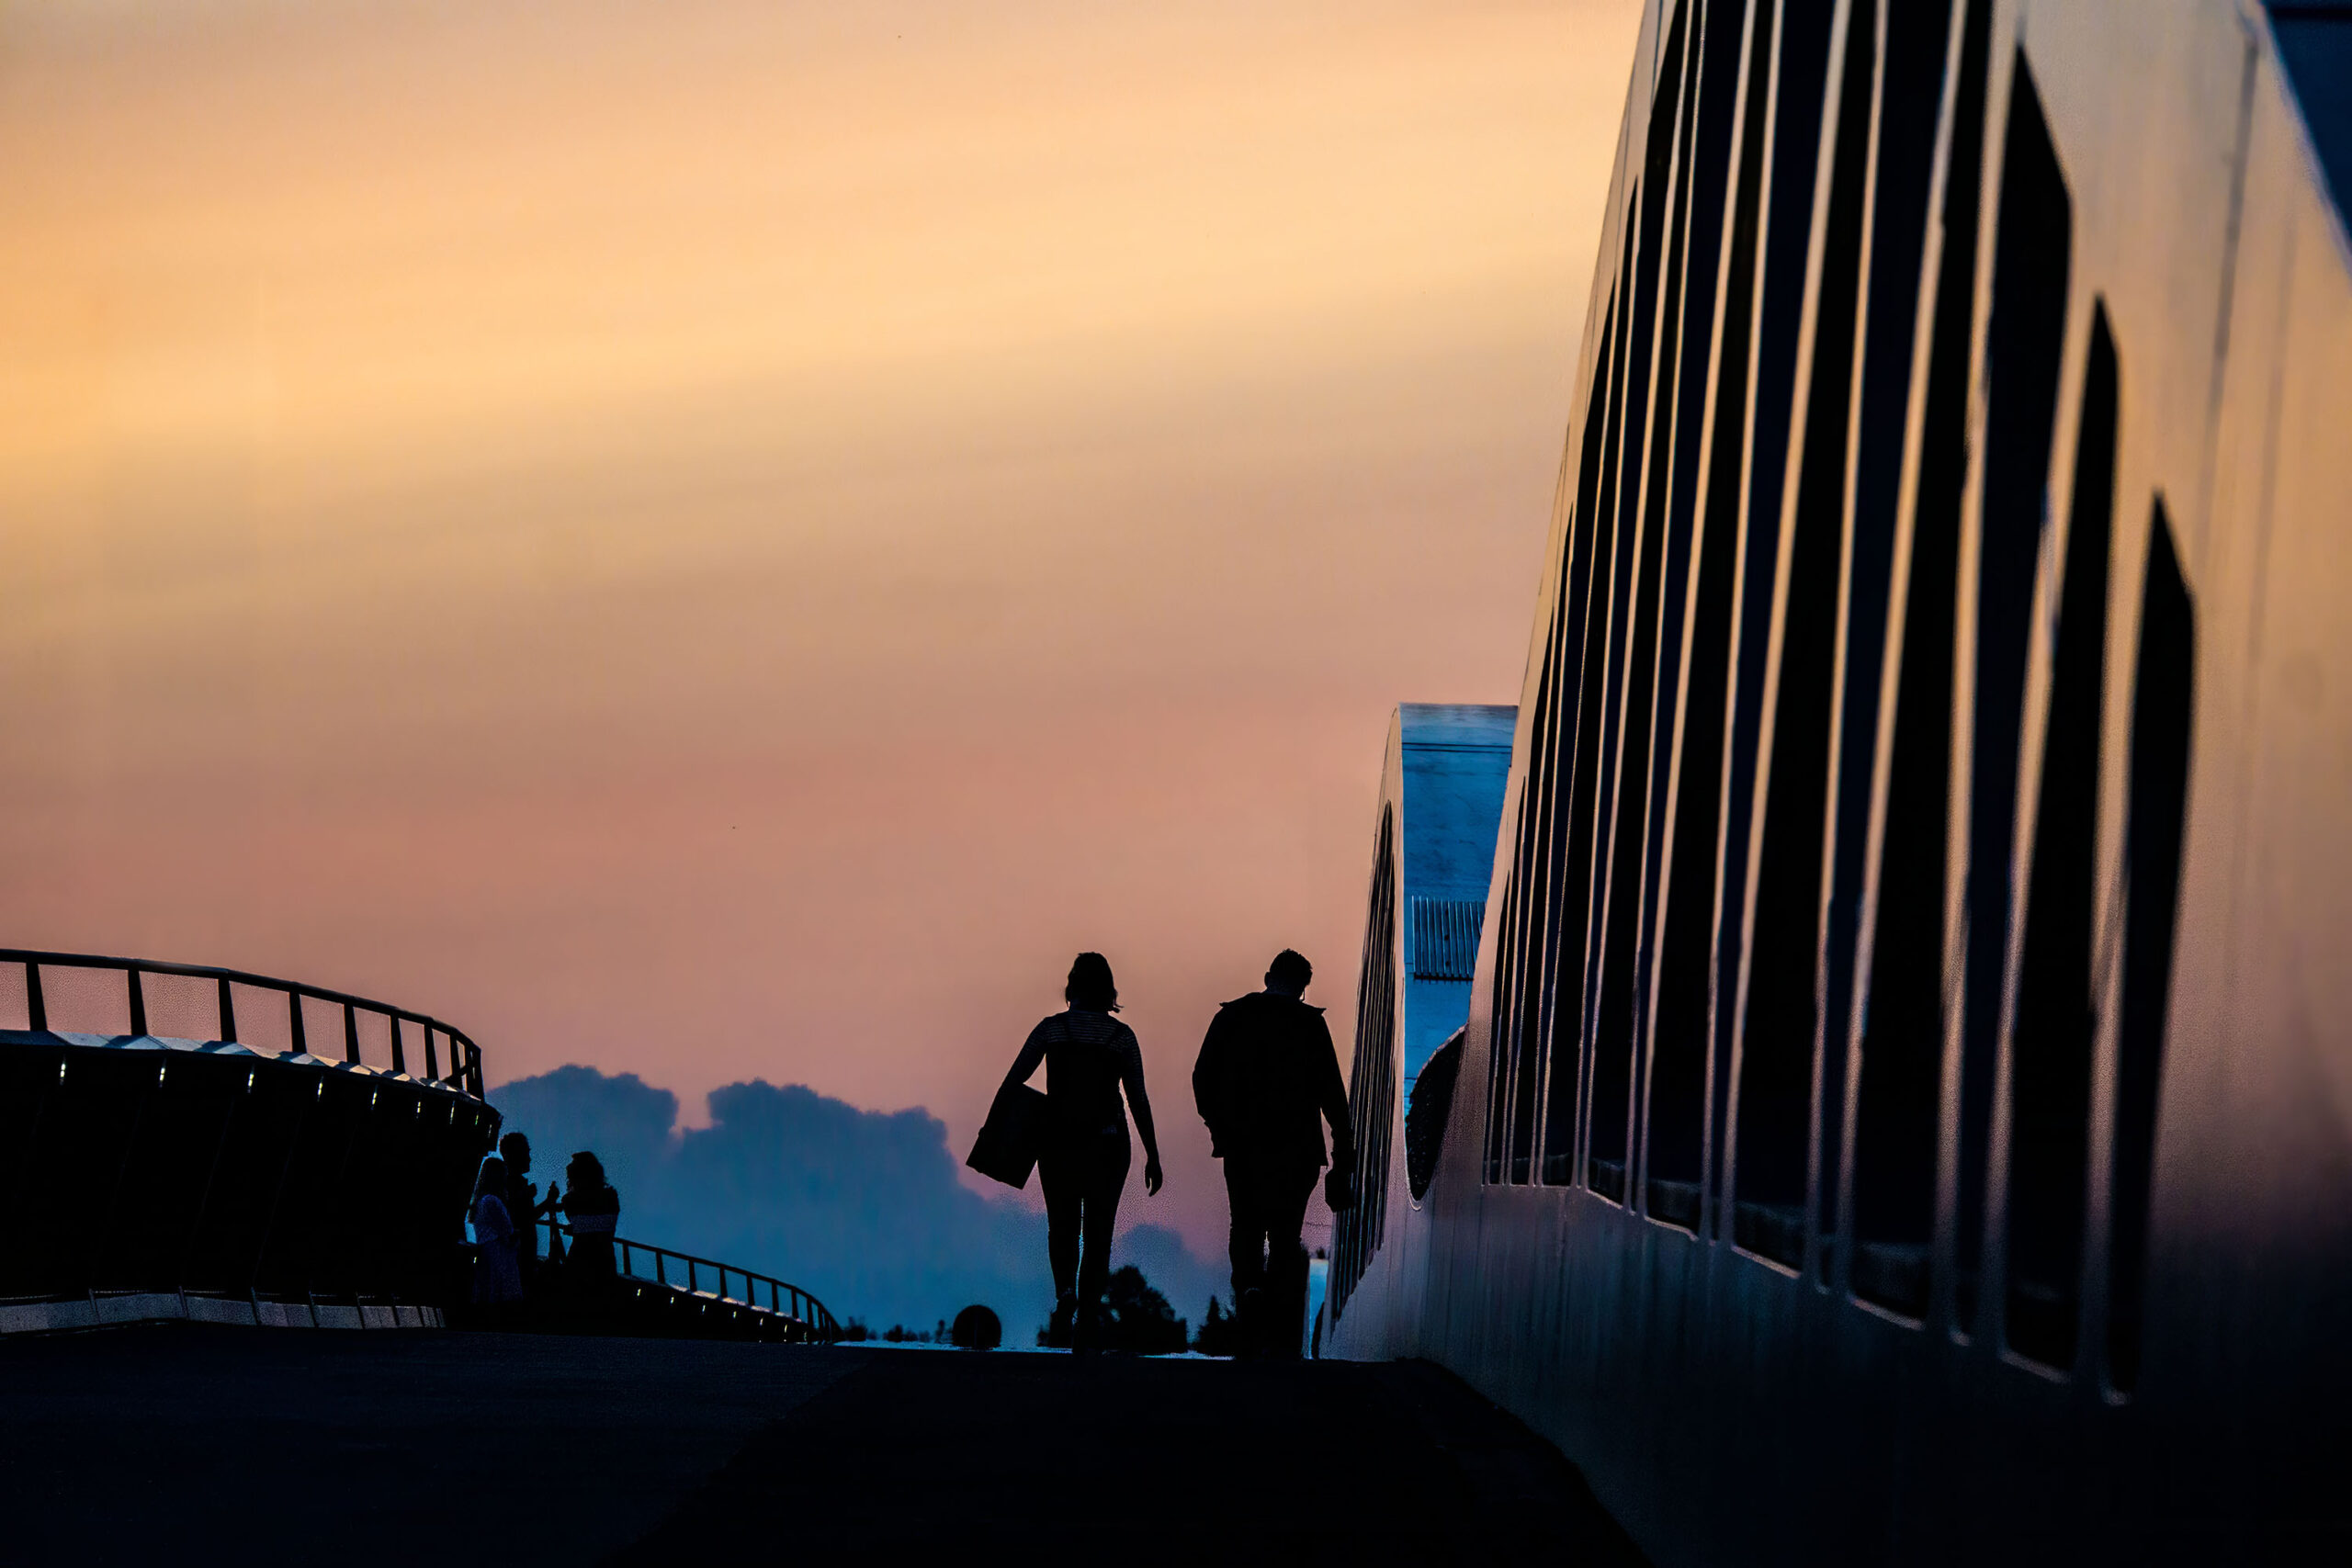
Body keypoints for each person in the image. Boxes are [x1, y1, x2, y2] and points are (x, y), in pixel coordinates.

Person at [1192, 948, 1355, 1358]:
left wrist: (1219, 1128)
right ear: (1303, 988)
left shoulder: (1231, 1017)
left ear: (1267, 976)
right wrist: (1343, 1156)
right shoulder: (1311, 1026)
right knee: (1284, 1235)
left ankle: (1248, 1290)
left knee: (1244, 1223)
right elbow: (1334, 1098)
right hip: (1298, 1150)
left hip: (1244, 1144)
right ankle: (1277, 1328)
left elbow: (1202, 1077)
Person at [999, 952, 1163, 1350]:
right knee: (1099, 1233)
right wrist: (1153, 1153)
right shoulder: (1121, 1037)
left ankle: (1064, 1294)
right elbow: (1138, 1098)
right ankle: (1089, 1313)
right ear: (1109, 991)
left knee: (1063, 1226)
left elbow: (1014, 1081)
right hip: (1108, 1144)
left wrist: (1001, 1136)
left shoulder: (1050, 1030)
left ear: (1071, 987)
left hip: (1057, 1143)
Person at [559, 1151, 620, 1291]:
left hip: (579, 1260)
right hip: (605, 1262)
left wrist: (575, 1228)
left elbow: (583, 1226)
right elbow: (603, 1226)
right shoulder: (611, 1197)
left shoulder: (570, 1201)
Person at [470, 1156, 525, 1313]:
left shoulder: (481, 1201)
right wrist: (516, 1234)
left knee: (487, 1288)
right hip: (499, 1251)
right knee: (501, 1289)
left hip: (486, 1249)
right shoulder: (493, 1201)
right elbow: (506, 1229)